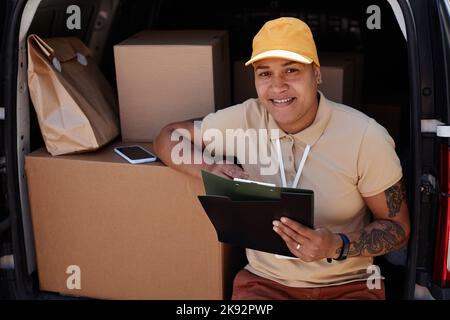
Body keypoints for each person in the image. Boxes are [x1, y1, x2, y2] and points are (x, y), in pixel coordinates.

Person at [154, 17, 410, 300]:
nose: (277, 87)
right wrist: (210, 167)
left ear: (317, 74)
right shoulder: (246, 118)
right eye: (265, 74)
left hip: (348, 285)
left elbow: (398, 228)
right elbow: (167, 136)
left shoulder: (366, 136)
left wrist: (336, 246)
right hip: (265, 283)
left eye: (291, 70)